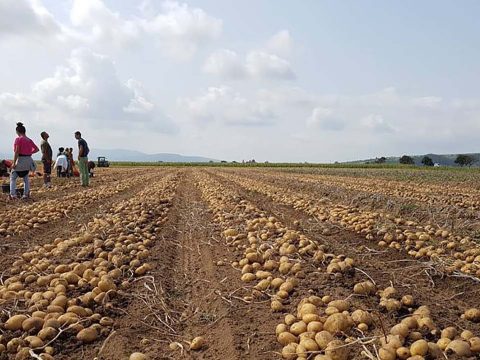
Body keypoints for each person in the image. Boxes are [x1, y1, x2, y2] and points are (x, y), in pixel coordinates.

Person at [10, 122, 39, 200]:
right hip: (28, 160)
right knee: (26, 178)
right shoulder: (29, 140)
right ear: (24, 131)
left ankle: (13, 195)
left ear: (17, 132)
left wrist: (14, 162)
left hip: (21, 159)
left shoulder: (18, 139)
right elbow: (37, 149)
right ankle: (26, 195)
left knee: (13, 177)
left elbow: (17, 151)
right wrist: (29, 153)